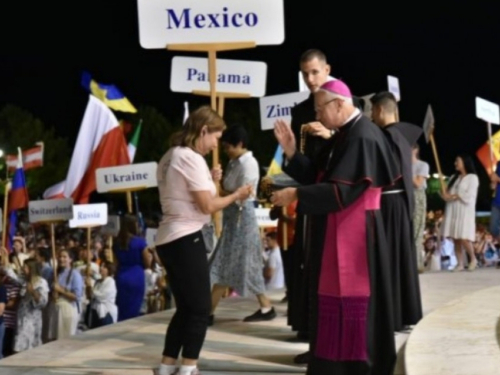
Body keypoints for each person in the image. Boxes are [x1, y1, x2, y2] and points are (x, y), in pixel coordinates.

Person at [272, 79, 398, 375]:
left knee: (355, 305)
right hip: (338, 229)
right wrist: (291, 153)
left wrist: (296, 195)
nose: (317, 116)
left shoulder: (362, 137)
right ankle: (333, 363)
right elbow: (320, 176)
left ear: (339, 103)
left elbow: (343, 191)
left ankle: (354, 366)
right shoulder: (345, 135)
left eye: (319, 109)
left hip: (356, 236)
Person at [154, 105, 253, 375]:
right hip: (185, 237)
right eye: (215, 138)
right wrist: (237, 196)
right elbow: (208, 206)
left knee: (185, 308)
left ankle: (166, 366)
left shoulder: (170, 155)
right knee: (199, 309)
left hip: (170, 238)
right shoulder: (190, 157)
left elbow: (183, 193)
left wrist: (209, 179)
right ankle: (189, 368)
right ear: (204, 130)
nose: (215, 146)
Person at [209, 124, 276, 323]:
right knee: (234, 264)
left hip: (241, 218)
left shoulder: (249, 164)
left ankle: (208, 312)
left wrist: (222, 191)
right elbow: (228, 192)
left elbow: (241, 196)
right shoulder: (234, 162)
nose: (226, 150)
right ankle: (266, 307)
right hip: (233, 218)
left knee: (224, 265)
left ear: (240, 144)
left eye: (229, 146)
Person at [370, 91, 423, 332]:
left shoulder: (386, 136)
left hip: (389, 205)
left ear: (380, 110)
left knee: (390, 260)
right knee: (401, 259)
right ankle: (402, 314)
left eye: (372, 111)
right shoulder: (403, 136)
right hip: (401, 204)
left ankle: (391, 316)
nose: (371, 116)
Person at [440, 154, 479, 271]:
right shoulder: (453, 178)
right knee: (455, 237)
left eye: (457, 161)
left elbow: (469, 196)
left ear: (465, 162)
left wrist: (454, 195)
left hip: (464, 211)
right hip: (453, 210)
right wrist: (445, 193)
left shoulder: (473, 178)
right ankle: (460, 263)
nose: (455, 163)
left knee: (463, 237)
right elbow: (446, 197)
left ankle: (473, 258)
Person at [114, 215, 147, 322]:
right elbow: (147, 262)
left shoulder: (117, 242)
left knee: (122, 308)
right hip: (136, 276)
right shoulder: (140, 242)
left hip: (121, 276)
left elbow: (116, 263)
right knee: (134, 308)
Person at [412, 144, 430, 272]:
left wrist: (405, 170)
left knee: (417, 229)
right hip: (404, 196)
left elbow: (418, 183)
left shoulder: (422, 165)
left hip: (417, 197)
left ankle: (417, 263)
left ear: (415, 150)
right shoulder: (399, 164)